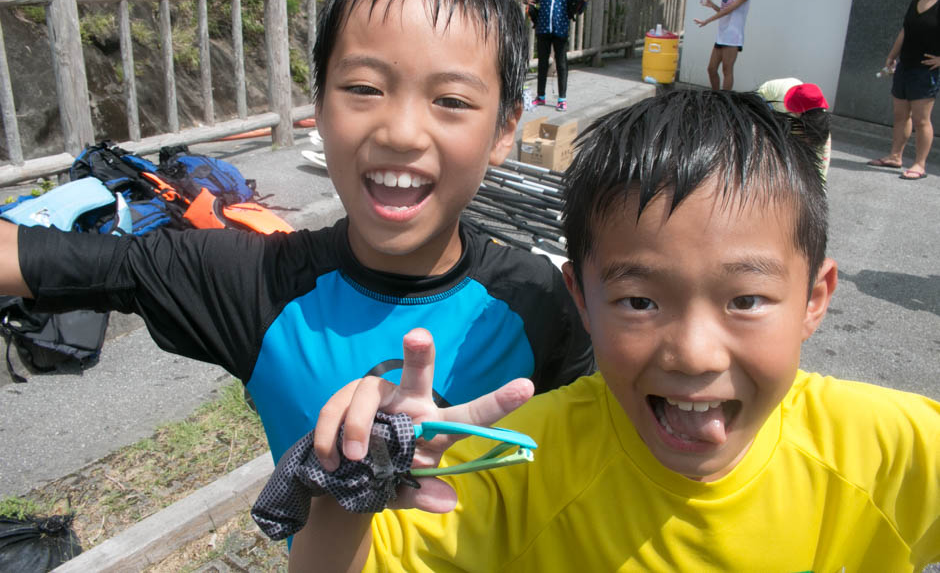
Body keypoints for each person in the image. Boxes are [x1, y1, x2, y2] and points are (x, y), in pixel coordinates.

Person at [290, 90, 940, 571]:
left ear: (813, 299)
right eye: (638, 300)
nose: (693, 351)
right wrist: (350, 488)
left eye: (746, 297)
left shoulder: (888, 449)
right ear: (581, 296)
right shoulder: (522, 462)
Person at [0, 0, 594, 468]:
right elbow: (58, 258)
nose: (403, 133)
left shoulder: (539, 298)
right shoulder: (251, 282)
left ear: (504, 129)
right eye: (364, 88)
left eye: (452, 99)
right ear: (318, 104)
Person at [867, 0, 940, 180]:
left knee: (921, 119)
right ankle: (895, 156)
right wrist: (892, 55)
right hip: (905, 65)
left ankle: (919, 164)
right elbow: (906, 30)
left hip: (925, 71)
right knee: (900, 115)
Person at [526, 0, 590, 112]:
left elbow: (580, 4)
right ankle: (540, 96)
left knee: (561, 63)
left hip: (561, 28)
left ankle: (562, 99)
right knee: (542, 62)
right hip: (543, 27)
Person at [756, 78, 832, 180]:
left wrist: (820, 186)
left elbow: (823, 156)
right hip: (764, 100)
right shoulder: (783, 108)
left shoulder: (821, 119)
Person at [694, 0, 751, 91]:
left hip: (733, 37)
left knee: (727, 70)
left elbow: (729, 10)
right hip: (722, 35)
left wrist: (706, 21)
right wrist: (712, 5)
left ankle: (725, 101)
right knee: (711, 69)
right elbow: (723, 11)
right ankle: (716, 96)